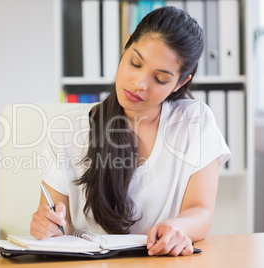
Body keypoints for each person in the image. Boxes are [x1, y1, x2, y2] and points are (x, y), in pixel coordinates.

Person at [30, 6, 231, 257]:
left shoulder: (194, 121)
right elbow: (57, 218)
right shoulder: (67, 130)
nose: (139, 84)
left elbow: (201, 211)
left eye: (160, 79)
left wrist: (178, 227)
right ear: (126, 47)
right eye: (135, 63)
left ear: (180, 83)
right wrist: (48, 225)